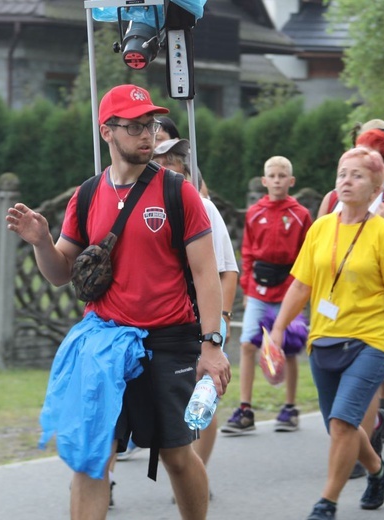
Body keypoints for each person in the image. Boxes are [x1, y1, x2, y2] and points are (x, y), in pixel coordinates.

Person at [6, 84, 230, 520]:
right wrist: (40, 242)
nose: (146, 135)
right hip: (105, 344)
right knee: (93, 459)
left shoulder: (177, 193)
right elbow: (60, 275)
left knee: (177, 455)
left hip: (169, 342)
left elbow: (207, 274)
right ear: (107, 131)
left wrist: (212, 344)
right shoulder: (87, 195)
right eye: (134, 127)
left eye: (149, 125)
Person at [268, 147, 384, 520]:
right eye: (342, 174)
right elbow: (301, 286)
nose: (346, 181)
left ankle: (327, 503)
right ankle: (379, 471)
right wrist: (276, 332)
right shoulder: (321, 229)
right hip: (323, 340)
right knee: (343, 427)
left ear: (375, 188)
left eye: (357, 175)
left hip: (372, 342)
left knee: (342, 423)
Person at [318, 127, 384, 478]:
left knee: (351, 411)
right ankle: (372, 464)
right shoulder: (333, 200)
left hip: (374, 322)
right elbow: (315, 256)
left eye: (369, 155)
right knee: (338, 415)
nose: (357, 163)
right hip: (331, 321)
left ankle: (342, 482)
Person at [153, 137, 239, 469]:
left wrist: (221, 321)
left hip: (195, 325)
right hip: (153, 326)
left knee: (202, 394)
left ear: (185, 170)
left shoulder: (202, 207)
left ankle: (196, 471)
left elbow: (225, 270)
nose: (162, 169)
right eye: (158, 162)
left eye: (170, 162)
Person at [221, 156, 312, 435]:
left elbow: (307, 256)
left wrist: (301, 291)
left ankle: (290, 407)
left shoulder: (301, 215)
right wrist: (247, 288)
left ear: (291, 181)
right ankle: (245, 409)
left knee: (290, 346)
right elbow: (246, 253)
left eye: (282, 175)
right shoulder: (254, 213)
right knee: (248, 344)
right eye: (271, 175)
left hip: (289, 289)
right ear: (264, 181)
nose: (276, 180)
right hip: (259, 290)